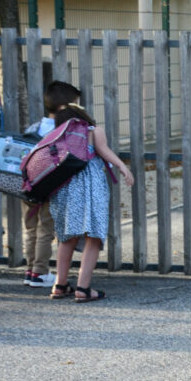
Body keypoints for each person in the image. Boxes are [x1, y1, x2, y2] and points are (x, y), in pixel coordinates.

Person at [48, 85, 134, 301]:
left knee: (66, 237)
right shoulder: (93, 130)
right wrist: (122, 167)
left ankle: (60, 285)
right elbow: (104, 151)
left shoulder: (56, 132)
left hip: (64, 186)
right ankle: (83, 289)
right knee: (93, 236)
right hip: (91, 185)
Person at [21, 81, 79, 288]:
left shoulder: (34, 127)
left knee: (31, 230)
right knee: (46, 230)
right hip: (47, 187)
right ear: (65, 107)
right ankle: (40, 272)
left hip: (27, 186)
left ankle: (30, 271)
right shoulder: (61, 130)